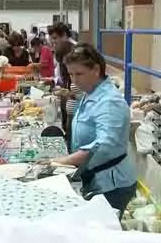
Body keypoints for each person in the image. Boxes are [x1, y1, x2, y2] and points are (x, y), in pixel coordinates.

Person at [47, 43, 137, 214]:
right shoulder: (91, 92)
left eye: (79, 74)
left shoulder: (109, 102)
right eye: (71, 74)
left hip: (111, 184)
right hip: (95, 176)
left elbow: (105, 145)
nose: (74, 80)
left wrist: (66, 160)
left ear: (96, 70)